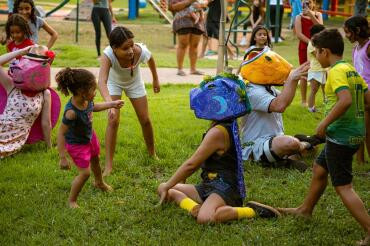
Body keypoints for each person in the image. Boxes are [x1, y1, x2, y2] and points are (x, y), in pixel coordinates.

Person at [278, 29, 370, 246]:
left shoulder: (336, 72)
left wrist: (325, 122)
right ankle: (305, 210)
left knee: (343, 186)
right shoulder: (350, 69)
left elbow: (345, 100)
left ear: (325, 52)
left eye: (315, 53)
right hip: (353, 133)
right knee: (320, 169)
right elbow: (366, 98)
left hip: (341, 136)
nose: (315, 58)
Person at [157, 75, 280, 223]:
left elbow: (192, 164)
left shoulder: (218, 133)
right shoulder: (223, 124)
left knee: (205, 218)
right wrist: (168, 185)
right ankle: (195, 208)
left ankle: (252, 211)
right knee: (164, 188)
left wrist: (170, 183)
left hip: (225, 187)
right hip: (208, 184)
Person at [56, 68, 124, 208]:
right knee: (85, 173)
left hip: (89, 138)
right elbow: (61, 133)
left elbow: (95, 107)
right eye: (93, 89)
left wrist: (111, 104)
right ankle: (72, 200)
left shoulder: (85, 102)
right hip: (77, 145)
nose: (95, 92)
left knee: (96, 160)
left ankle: (99, 182)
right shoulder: (71, 112)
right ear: (82, 92)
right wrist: (62, 157)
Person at [98, 26, 160, 176]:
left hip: (134, 83)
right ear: (114, 48)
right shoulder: (108, 55)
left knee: (145, 120)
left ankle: (152, 153)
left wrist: (156, 79)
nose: (131, 50)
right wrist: (110, 104)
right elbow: (101, 81)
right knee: (113, 120)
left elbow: (151, 59)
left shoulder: (140, 51)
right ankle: (108, 165)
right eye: (125, 48)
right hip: (114, 83)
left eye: (131, 45)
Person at [239, 52, 311, 170]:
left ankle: (290, 154)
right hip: (256, 145)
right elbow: (280, 106)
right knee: (291, 144)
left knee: (303, 146)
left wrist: (292, 80)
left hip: (274, 139)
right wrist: (292, 79)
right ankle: (298, 148)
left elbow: (285, 100)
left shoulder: (266, 87)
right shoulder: (252, 90)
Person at [0, 46, 53, 158]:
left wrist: (49, 147)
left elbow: (46, 123)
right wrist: (21, 51)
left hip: (13, 139)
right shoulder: (12, 86)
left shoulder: (44, 94)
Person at [344, 16, 370, 164]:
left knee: (367, 131)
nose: (346, 36)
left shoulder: (369, 47)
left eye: (348, 32)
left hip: (368, 95)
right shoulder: (356, 48)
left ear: (357, 30)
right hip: (359, 94)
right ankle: (360, 161)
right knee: (359, 129)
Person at [294, 0, 323, 107]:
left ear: (313, 3)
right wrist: (311, 43)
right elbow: (299, 34)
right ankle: (303, 100)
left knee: (321, 69)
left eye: (308, 2)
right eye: (304, 2)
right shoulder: (298, 17)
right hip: (304, 47)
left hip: (319, 47)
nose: (306, 4)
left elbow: (321, 28)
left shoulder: (318, 15)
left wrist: (310, 14)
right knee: (304, 71)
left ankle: (324, 98)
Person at [169, 0, 206, 76]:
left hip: (197, 21)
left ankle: (193, 69)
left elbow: (204, 4)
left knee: (195, 45)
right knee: (183, 44)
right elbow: (173, 7)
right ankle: (180, 69)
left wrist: (201, 5)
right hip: (182, 20)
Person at [307, 24, 326, 113]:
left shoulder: (320, 43)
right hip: (315, 70)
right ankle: (311, 108)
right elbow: (318, 56)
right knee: (314, 90)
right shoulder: (311, 44)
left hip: (323, 69)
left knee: (326, 89)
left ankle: (327, 105)